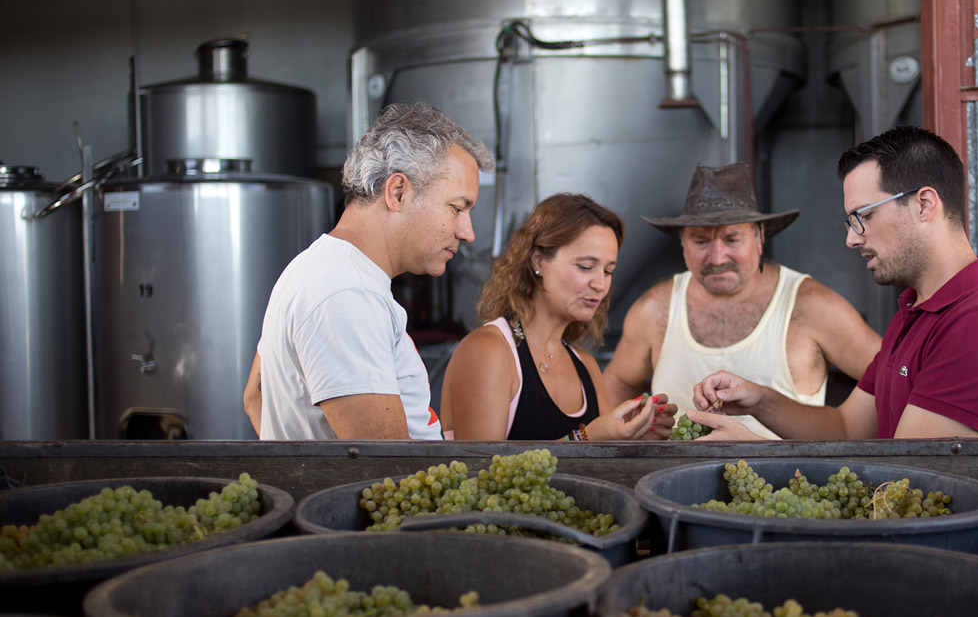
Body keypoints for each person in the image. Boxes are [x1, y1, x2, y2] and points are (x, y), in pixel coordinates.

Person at [688, 125, 978, 441]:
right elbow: (847, 429)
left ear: (924, 205)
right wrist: (759, 400)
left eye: (864, 216)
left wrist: (754, 452)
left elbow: (903, 483)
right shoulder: (916, 311)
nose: (852, 239)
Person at [243, 101, 494, 440]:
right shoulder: (348, 292)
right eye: (457, 207)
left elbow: (255, 397)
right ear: (398, 192)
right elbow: (384, 469)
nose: (468, 232)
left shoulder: (319, 268)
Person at [602, 162, 882, 438]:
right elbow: (618, 380)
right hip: (668, 478)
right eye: (701, 241)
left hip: (782, 481)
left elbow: (892, 376)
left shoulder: (810, 305)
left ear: (759, 238)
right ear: (682, 244)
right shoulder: (655, 307)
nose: (717, 257)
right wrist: (634, 432)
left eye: (732, 239)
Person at [440, 193, 677, 441]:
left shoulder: (587, 366)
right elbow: (481, 474)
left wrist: (636, 437)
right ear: (538, 260)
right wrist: (585, 438)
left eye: (608, 271)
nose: (600, 284)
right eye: (585, 266)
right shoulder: (488, 350)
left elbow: (605, 466)